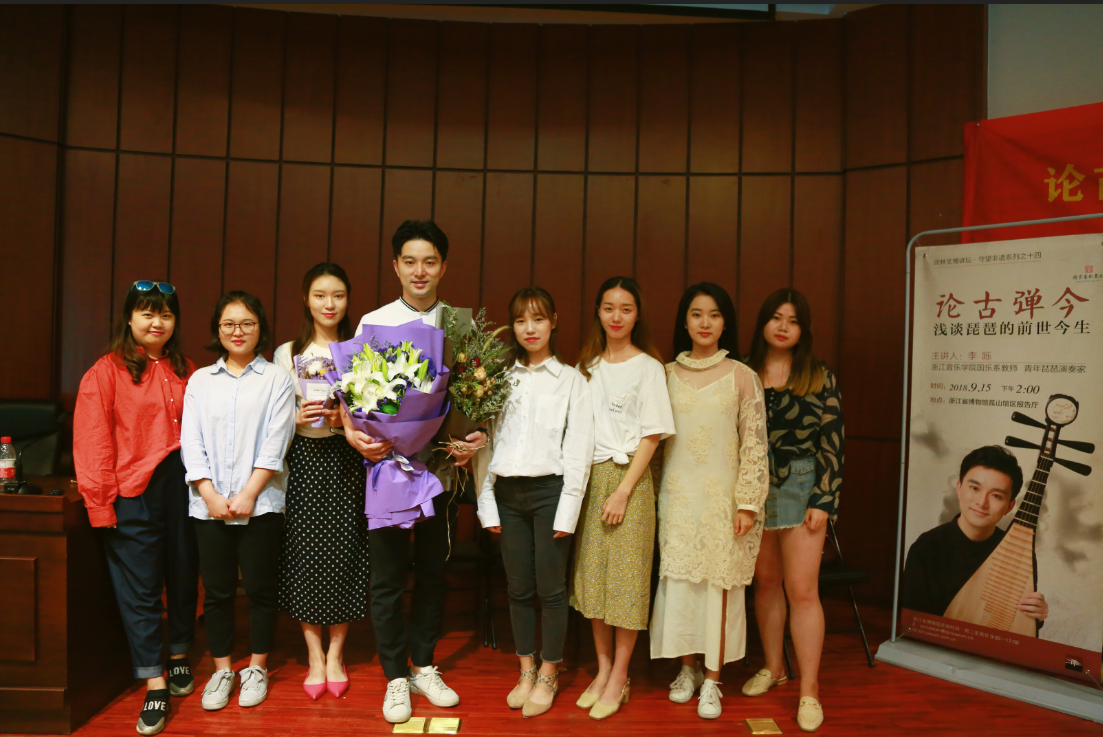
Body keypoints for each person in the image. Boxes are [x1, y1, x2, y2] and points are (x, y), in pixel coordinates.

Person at [342, 220, 486, 723]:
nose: (419, 271)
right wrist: (353, 433)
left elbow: (477, 398)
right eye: (410, 261)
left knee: (432, 573)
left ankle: (424, 664)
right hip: (387, 469)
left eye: (430, 261)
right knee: (386, 577)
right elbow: (351, 394)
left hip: (440, 470)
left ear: (444, 267)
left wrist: (476, 438)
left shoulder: (462, 326)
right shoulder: (373, 322)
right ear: (396, 266)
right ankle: (394, 677)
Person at [74, 281, 199, 736]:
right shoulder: (105, 372)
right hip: (133, 491)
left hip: (185, 486)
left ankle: (180, 652)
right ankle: (154, 680)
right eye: (147, 313)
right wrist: (100, 506)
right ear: (129, 318)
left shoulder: (188, 368)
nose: (156, 322)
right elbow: (92, 441)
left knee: (184, 574)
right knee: (141, 588)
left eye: (165, 314)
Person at [650, 282, 769, 722]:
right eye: (697, 314)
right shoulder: (663, 374)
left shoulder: (743, 376)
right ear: (684, 321)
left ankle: (714, 679)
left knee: (719, 589)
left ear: (725, 323)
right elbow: (653, 445)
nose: (705, 323)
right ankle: (688, 669)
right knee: (682, 587)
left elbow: (755, 445)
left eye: (714, 315)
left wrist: (748, 504)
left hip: (723, 502)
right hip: (677, 499)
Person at [477, 286, 594, 718]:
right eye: (521, 320)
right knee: (518, 588)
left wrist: (568, 510)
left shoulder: (571, 381)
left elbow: (579, 451)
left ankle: (549, 672)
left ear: (554, 322)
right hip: (508, 494)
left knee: (551, 589)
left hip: (550, 493)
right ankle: (525, 668)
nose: (530, 328)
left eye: (539, 318)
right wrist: (487, 503)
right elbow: (486, 444)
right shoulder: (497, 379)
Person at [181, 291, 295, 712]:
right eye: (229, 324)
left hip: (261, 503)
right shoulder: (200, 381)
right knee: (216, 592)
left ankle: (258, 668)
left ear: (260, 327)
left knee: (262, 590)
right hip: (207, 505)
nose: (238, 331)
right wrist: (209, 493)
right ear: (218, 329)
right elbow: (190, 441)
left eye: (247, 323)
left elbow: (277, 440)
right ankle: (222, 670)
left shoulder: (276, 378)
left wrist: (249, 493)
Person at [569, 277, 674, 720]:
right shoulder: (586, 366)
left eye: (626, 309)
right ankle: (603, 668)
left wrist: (623, 491)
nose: (616, 316)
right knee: (594, 578)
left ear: (637, 315)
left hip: (630, 479)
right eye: (609, 307)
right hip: (593, 478)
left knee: (627, 582)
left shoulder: (649, 367)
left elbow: (652, 435)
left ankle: (621, 675)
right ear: (598, 311)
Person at [741, 289, 844, 733]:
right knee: (766, 584)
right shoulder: (743, 372)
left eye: (793, 320)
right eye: (776, 318)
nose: (783, 327)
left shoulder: (819, 375)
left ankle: (810, 689)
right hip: (753, 487)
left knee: (802, 589)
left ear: (803, 330)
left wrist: (824, 499)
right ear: (763, 322)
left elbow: (833, 442)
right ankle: (774, 667)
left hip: (802, 486)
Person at [274, 264, 368, 700]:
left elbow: (378, 412)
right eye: (320, 295)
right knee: (305, 554)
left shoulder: (359, 349)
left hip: (347, 459)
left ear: (348, 300)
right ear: (306, 300)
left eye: (338, 295)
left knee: (347, 552)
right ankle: (314, 655)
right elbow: (271, 418)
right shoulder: (287, 352)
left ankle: (336, 654)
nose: (329, 304)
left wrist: (343, 418)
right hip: (305, 459)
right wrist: (295, 419)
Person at [901, 445, 1048, 624]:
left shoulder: (1018, 552)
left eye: (996, 495)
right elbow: (913, 623)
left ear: (1009, 506)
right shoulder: (927, 547)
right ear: (959, 488)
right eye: (974, 488)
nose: (982, 502)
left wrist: (1035, 615)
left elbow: (1013, 621)